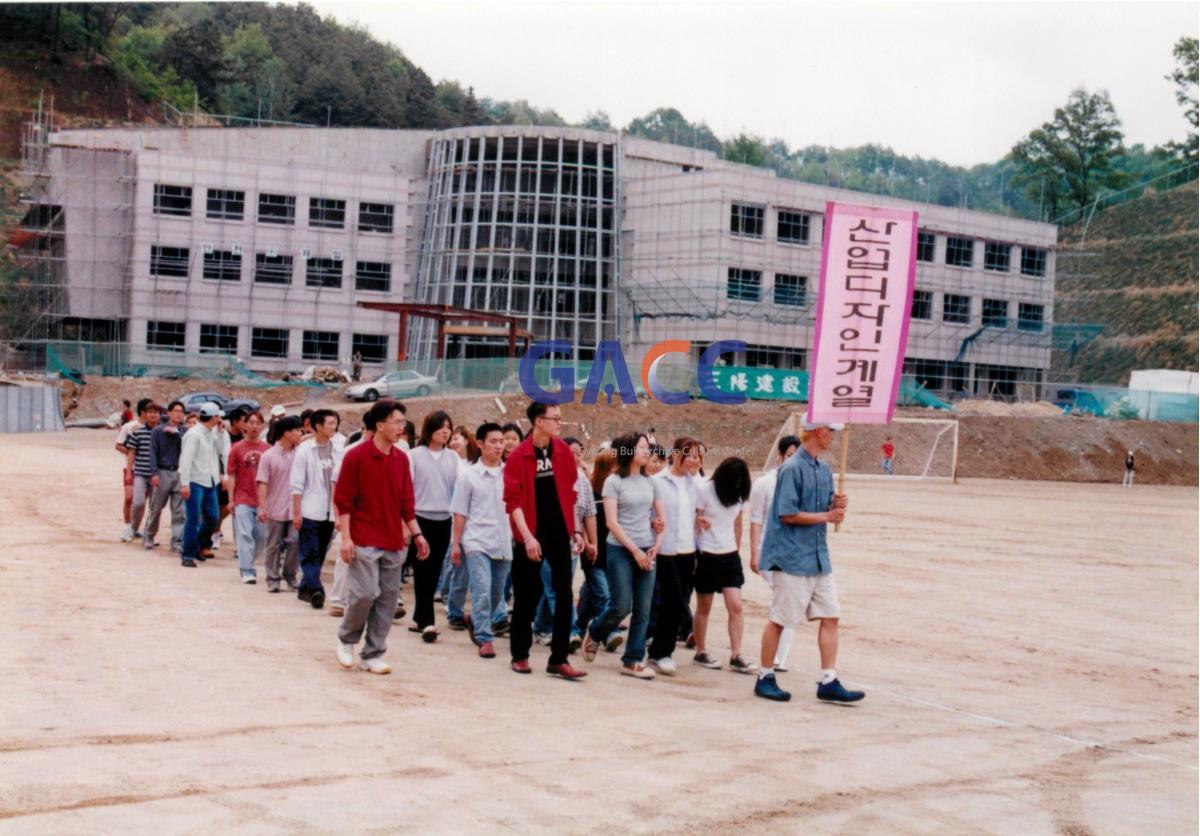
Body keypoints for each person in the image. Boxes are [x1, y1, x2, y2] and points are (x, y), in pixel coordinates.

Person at [754, 421, 864, 704]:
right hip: (791, 557)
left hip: (818, 557)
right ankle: (765, 675)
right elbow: (787, 514)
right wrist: (826, 517)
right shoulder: (791, 469)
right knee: (780, 619)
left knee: (831, 615)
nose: (834, 437)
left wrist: (836, 506)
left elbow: (825, 508)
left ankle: (828, 679)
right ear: (819, 432)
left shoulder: (824, 470)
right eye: (831, 432)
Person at [334, 399, 427, 674]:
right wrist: (346, 539)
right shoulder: (356, 456)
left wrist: (417, 534)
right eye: (397, 422)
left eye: (403, 422)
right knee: (364, 593)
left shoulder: (401, 459)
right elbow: (344, 501)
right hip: (363, 537)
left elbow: (407, 504)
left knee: (387, 599)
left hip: (393, 540)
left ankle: (372, 653)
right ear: (379, 425)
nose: (402, 427)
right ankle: (346, 640)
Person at [503, 402, 587, 679]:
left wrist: (575, 530)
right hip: (530, 533)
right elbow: (512, 503)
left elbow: (570, 494)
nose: (559, 423)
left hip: (559, 532)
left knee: (564, 596)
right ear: (539, 421)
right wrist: (527, 537)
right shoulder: (518, 456)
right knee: (526, 596)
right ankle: (520, 655)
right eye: (555, 418)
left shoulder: (562, 451)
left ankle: (559, 658)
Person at [585, 433, 665, 680]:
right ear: (629, 451)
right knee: (621, 606)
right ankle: (596, 632)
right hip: (621, 550)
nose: (647, 452)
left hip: (646, 548)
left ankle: (632, 660)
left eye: (647, 448)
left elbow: (662, 521)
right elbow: (611, 523)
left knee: (643, 609)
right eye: (642, 447)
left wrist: (656, 544)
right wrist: (635, 551)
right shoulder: (613, 482)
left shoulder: (652, 483)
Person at [449, 423, 513, 658]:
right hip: (476, 541)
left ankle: (476, 619)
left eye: (501, 441)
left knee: (497, 594)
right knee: (482, 589)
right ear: (480, 444)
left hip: (504, 541)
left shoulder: (511, 474)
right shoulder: (469, 476)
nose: (498, 446)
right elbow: (459, 512)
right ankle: (485, 638)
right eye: (493, 441)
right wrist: (456, 544)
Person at [692, 457, 755, 674]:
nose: (738, 484)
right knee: (704, 607)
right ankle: (700, 651)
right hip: (707, 554)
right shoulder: (705, 489)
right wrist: (699, 525)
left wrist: (736, 550)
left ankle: (736, 655)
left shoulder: (739, 494)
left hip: (729, 555)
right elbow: (695, 518)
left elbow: (737, 523)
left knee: (736, 606)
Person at [647, 437, 703, 676]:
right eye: (690, 454)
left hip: (688, 550)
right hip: (664, 549)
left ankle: (660, 650)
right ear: (676, 453)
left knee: (678, 601)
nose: (694, 460)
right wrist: (652, 522)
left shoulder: (696, 485)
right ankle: (660, 653)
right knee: (671, 601)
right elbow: (644, 511)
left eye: (698, 456)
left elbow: (693, 515)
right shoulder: (657, 481)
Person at [748, 434, 801, 673]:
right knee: (783, 600)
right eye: (790, 456)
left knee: (788, 602)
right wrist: (754, 553)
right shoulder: (764, 484)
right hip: (770, 552)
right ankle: (774, 658)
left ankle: (780, 657)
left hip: (795, 552)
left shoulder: (802, 483)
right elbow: (755, 519)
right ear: (780, 456)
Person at [405, 410, 459, 643]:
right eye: (440, 426)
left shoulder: (453, 458)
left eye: (448, 426)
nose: (445, 431)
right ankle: (427, 621)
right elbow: (406, 489)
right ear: (430, 429)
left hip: (443, 520)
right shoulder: (415, 455)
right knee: (422, 569)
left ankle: (420, 615)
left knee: (435, 570)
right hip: (420, 519)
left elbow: (459, 490)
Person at [290, 409, 343, 609]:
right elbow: (296, 484)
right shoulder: (305, 450)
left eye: (335, 423)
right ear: (318, 426)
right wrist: (296, 513)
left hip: (329, 512)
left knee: (320, 553)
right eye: (329, 423)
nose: (333, 427)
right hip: (309, 509)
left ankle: (306, 589)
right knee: (310, 553)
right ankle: (317, 590)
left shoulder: (338, 449)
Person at [257, 415, 303, 593]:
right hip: (275, 507)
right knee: (273, 544)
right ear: (287, 433)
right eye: (297, 430)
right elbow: (262, 482)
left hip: (296, 509)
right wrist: (263, 507)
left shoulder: (301, 453)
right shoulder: (268, 456)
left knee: (295, 541)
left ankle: (290, 575)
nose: (301, 433)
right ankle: (272, 578)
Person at [577, 447, 616, 653]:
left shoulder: (618, 493)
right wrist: (588, 542)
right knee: (603, 594)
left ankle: (577, 627)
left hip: (612, 553)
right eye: (613, 468)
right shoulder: (591, 492)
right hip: (593, 553)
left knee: (592, 596)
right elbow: (583, 519)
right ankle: (607, 633)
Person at [178, 403, 225, 568]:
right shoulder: (194, 434)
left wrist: (220, 432)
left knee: (213, 516)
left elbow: (220, 451)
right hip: (195, 480)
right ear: (213, 417)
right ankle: (188, 554)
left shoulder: (211, 433)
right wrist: (185, 484)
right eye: (218, 416)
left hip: (210, 480)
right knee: (193, 519)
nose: (220, 419)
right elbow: (186, 460)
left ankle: (198, 545)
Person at [228, 412, 270, 584]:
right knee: (244, 535)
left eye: (257, 423)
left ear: (262, 426)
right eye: (251, 423)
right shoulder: (236, 448)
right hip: (242, 499)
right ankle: (247, 570)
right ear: (245, 426)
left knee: (261, 537)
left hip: (261, 500)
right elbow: (232, 475)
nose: (254, 426)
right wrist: (231, 499)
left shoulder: (268, 450)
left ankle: (248, 561)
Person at [144, 400, 187, 552]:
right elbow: (153, 453)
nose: (178, 414)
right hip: (162, 472)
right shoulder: (158, 431)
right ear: (168, 413)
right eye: (175, 411)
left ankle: (177, 540)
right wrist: (154, 473)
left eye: (181, 411)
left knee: (179, 511)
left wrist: (178, 434)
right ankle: (149, 535)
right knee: (156, 507)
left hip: (179, 472)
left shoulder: (185, 432)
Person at [125, 402, 162, 542]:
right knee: (138, 502)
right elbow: (132, 452)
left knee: (155, 506)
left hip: (157, 475)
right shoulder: (138, 432)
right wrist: (129, 471)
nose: (153, 415)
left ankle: (149, 533)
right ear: (145, 414)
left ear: (160, 415)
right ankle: (133, 529)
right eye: (150, 412)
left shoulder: (163, 432)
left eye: (156, 412)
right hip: (140, 473)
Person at [115, 398, 150, 542]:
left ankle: (136, 528)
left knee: (141, 501)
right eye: (150, 410)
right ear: (143, 411)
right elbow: (118, 445)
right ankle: (127, 526)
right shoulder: (129, 427)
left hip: (147, 468)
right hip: (131, 468)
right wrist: (132, 452)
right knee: (129, 498)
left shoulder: (155, 427)